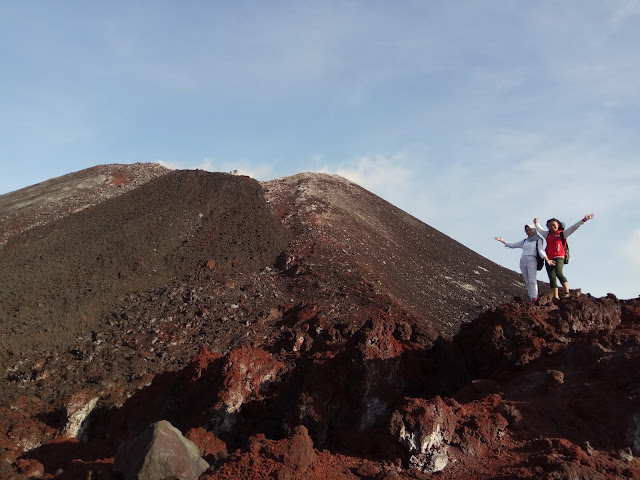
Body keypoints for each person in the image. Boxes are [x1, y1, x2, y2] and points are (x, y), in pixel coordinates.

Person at [533, 213, 595, 300]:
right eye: (549, 225)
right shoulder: (547, 235)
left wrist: (583, 220)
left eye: (554, 225)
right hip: (548, 258)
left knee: (558, 272)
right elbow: (539, 229)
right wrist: (536, 223)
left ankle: (567, 292)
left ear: (558, 225)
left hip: (559, 257)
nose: (552, 227)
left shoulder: (562, 234)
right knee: (551, 276)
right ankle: (556, 296)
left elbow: (573, 228)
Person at [495, 225, 551, 303]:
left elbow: (541, 250)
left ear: (534, 230)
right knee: (527, 281)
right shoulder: (525, 241)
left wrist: (547, 259)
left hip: (532, 259)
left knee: (532, 280)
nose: (528, 232)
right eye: (527, 231)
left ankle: (535, 297)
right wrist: (503, 241)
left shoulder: (538, 240)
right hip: (523, 260)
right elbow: (513, 245)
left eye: (530, 230)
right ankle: (532, 298)